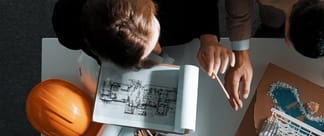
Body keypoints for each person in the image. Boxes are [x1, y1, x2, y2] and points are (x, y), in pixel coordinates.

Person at [52, 0, 234, 76]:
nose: (159, 50)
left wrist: (209, 39)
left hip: (181, 20)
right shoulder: (67, 23)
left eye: (153, 43)